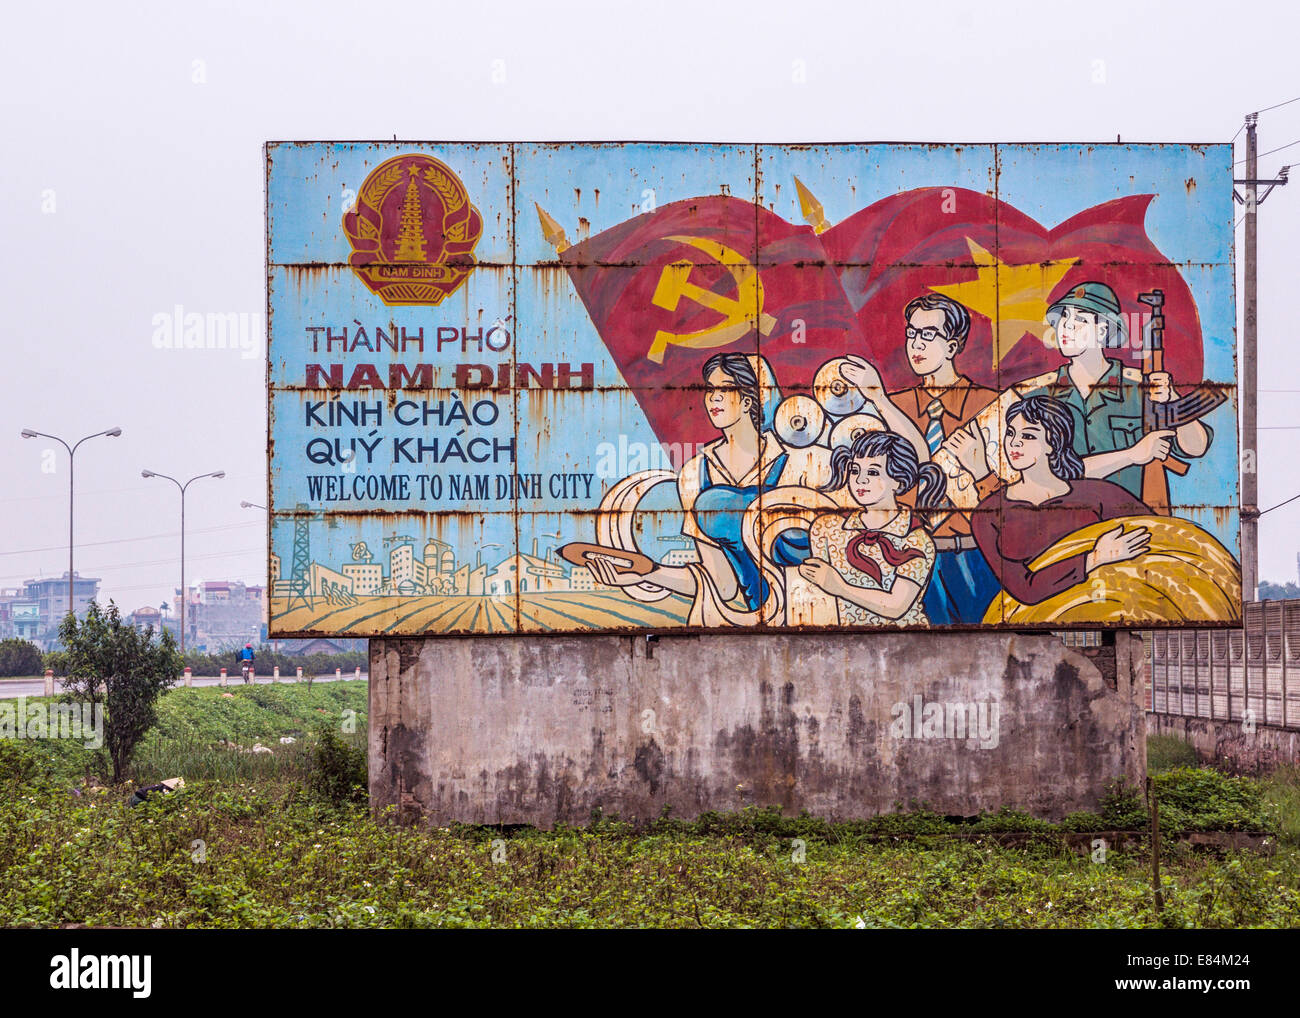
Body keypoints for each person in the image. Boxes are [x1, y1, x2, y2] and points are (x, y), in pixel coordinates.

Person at [957, 281, 1210, 500]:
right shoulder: (1039, 396)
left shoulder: (1139, 390)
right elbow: (1046, 470)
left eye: (1079, 320)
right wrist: (1133, 455)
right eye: (1063, 319)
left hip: (1129, 523)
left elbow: (1196, 448)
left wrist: (1171, 398)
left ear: (1103, 329)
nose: (1066, 328)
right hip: (1063, 525)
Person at [588, 352, 793, 619]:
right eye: (710, 389)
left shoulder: (792, 458)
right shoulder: (695, 474)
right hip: (763, 617)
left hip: (813, 609)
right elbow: (723, 584)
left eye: (726, 388)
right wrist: (645, 572)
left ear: (747, 400)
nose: (714, 398)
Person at [873, 293, 1002, 624]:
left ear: (953, 346)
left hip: (974, 556)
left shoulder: (991, 407)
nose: (916, 343)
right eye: (912, 332)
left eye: (928, 334)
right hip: (904, 557)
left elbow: (1012, 494)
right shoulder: (889, 408)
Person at [968, 395, 1152, 607]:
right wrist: (1095, 558)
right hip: (1031, 620)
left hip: (1111, 606)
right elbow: (1026, 590)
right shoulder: (987, 514)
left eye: (1028, 436)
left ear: (1053, 443)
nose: (1014, 442)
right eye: (1010, 433)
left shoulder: (1099, 494)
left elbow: (1160, 534)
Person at [797, 431, 944, 626]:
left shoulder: (916, 540)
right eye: (855, 470)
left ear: (899, 481)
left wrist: (838, 586)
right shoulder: (827, 528)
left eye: (873, 472)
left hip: (907, 644)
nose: (860, 480)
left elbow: (896, 605)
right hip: (840, 644)